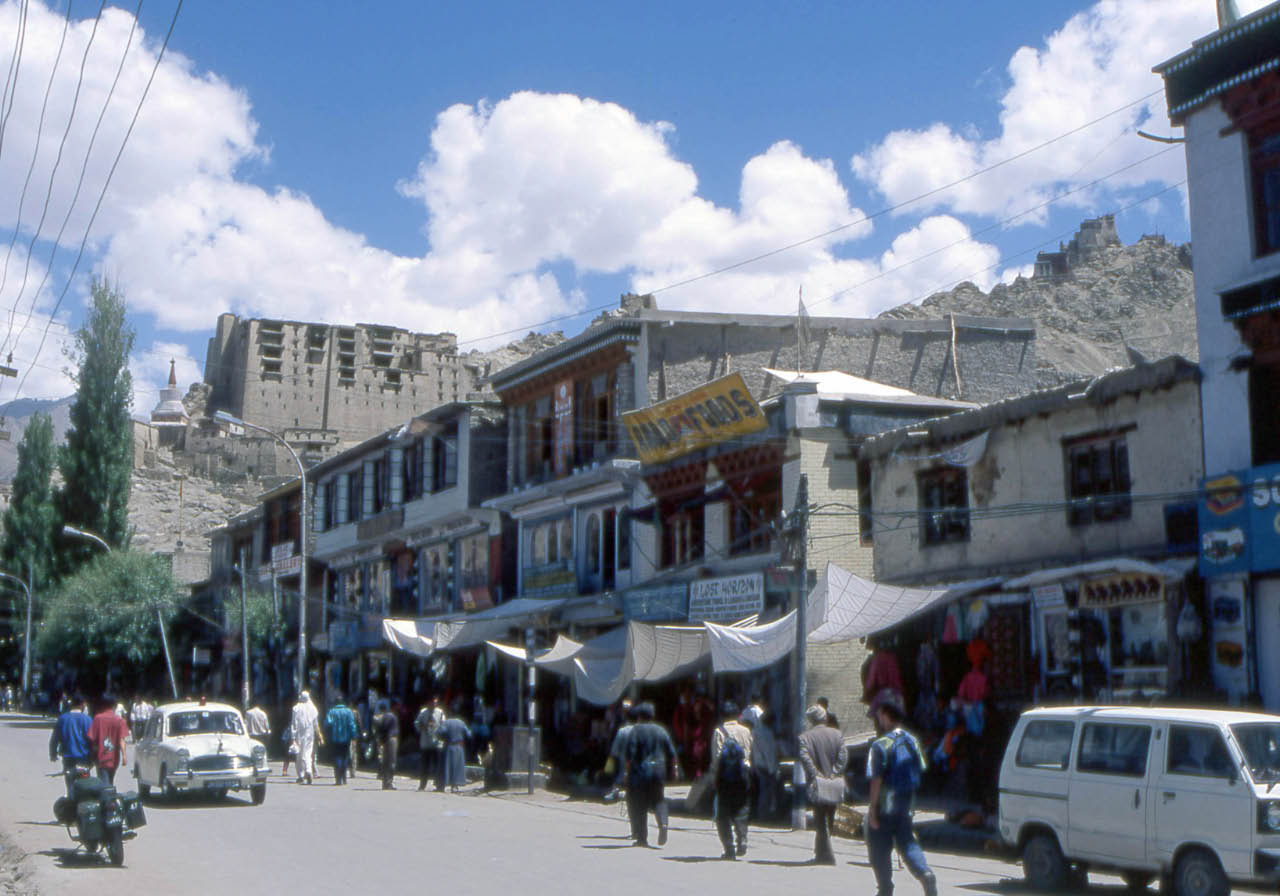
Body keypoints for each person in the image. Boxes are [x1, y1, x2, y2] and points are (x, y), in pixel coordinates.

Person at [866, 691, 936, 896]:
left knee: (878, 843)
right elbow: (921, 767)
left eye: (879, 714)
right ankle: (925, 874)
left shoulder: (880, 745)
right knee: (907, 840)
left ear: (887, 714)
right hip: (907, 802)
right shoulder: (912, 740)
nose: (878, 718)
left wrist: (872, 809)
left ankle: (885, 888)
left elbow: (876, 779)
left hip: (886, 803)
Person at [798, 704, 848, 864]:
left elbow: (805, 757)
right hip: (834, 782)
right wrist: (835, 771)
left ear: (811, 720)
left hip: (817, 783)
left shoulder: (805, 737)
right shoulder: (837, 734)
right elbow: (843, 756)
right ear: (825, 717)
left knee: (820, 819)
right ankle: (821, 853)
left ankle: (826, 855)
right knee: (829, 817)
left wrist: (816, 774)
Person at [624, 701, 677, 847]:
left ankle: (642, 838)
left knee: (639, 804)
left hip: (640, 773)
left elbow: (630, 755)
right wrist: (673, 770)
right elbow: (672, 754)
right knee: (658, 799)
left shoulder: (635, 731)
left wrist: (627, 773)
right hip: (658, 772)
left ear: (639, 716)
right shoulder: (661, 731)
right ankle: (664, 824)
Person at [709, 700, 753, 860]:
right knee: (741, 809)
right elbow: (749, 753)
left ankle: (729, 848)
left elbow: (716, 759)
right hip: (742, 776)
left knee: (723, 814)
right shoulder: (746, 730)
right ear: (738, 715)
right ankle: (742, 839)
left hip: (724, 778)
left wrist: (714, 778)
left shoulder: (718, 731)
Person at [742, 696, 778, 821]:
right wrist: (773, 770)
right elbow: (769, 753)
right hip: (765, 766)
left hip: (757, 762)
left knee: (757, 790)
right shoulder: (766, 733)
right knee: (765, 791)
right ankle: (763, 815)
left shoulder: (756, 729)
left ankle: (758, 813)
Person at [49, 694, 92, 796]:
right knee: (85, 784)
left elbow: (55, 737)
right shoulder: (87, 720)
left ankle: (71, 801)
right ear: (82, 705)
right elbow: (92, 739)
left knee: (70, 784)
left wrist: (53, 753)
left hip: (68, 757)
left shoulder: (63, 719)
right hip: (84, 757)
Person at [87, 695, 129, 785]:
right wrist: (124, 755)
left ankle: (107, 797)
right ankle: (109, 795)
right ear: (115, 706)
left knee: (104, 782)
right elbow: (122, 739)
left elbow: (91, 738)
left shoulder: (98, 719)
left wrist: (90, 755)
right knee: (110, 780)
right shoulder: (120, 720)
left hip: (100, 756)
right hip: (114, 758)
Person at [290, 690, 323, 784]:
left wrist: (293, 738)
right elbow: (315, 724)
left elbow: (294, 724)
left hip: (299, 734)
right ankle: (308, 770)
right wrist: (319, 735)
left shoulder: (296, 708)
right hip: (310, 734)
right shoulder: (313, 708)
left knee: (300, 755)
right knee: (308, 753)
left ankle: (301, 775)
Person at [325, 694, 359, 786]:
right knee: (345, 756)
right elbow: (352, 725)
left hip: (335, 738)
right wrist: (354, 736)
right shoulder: (348, 712)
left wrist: (328, 734)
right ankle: (344, 777)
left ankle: (338, 779)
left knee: (337, 757)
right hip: (346, 738)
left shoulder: (331, 711)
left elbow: (327, 723)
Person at [415, 696, 444, 792]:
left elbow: (443, 725)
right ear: (428, 703)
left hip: (437, 743)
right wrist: (421, 726)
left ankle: (439, 786)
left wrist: (441, 733)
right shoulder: (423, 712)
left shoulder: (440, 712)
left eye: (435, 702)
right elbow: (416, 723)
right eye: (432, 702)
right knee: (424, 766)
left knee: (438, 766)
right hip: (426, 742)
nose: (433, 704)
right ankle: (422, 785)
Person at [438, 709, 470, 793]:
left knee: (446, 766)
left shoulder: (446, 722)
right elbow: (468, 734)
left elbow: (440, 732)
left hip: (449, 746)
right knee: (457, 766)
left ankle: (443, 785)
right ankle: (455, 786)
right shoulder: (461, 723)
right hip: (459, 747)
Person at [374, 699, 400, 790]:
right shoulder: (391, 716)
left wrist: (381, 740)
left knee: (385, 762)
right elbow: (386, 728)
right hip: (391, 739)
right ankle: (388, 782)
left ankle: (385, 782)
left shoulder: (380, 717)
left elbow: (379, 729)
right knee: (391, 762)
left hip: (384, 740)